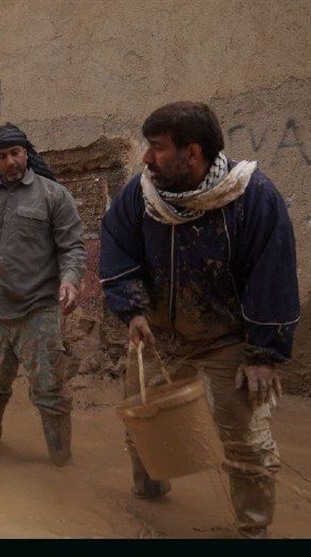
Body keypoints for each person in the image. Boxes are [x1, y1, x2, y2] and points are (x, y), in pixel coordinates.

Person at [99, 102, 299, 538]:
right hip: (158, 334)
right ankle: (149, 501)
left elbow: (274, 277)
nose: (146, 158)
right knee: (142, 421)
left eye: (156, 148)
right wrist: (131, 308)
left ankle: (253, 531)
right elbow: (117, 245)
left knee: (245, 441)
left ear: (192, 153)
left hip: (227, 338)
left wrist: (263, 354)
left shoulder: (253, 197)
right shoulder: (141, 194)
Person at [0, 124, 86, 465]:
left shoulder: (54, 195)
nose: (9, 161)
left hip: (38, 312)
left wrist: (70, 280)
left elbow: (73, 248)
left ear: (26, 152)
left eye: (15, 153)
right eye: (1, 156)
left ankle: (60, 464)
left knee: (50, 393)